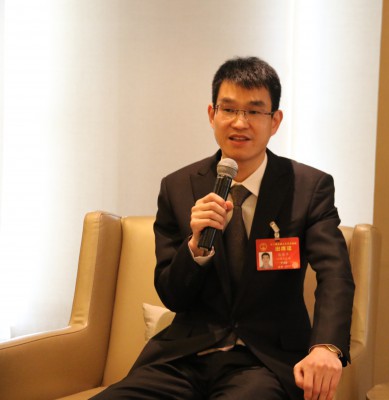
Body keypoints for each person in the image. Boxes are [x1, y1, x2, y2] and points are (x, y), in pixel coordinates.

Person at [91, 56, 354, 400]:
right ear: (211, 115)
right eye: (228, 109)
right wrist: (195, 248)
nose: (239, 122)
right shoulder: (178, 186)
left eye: (254, 111)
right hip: (184, 357)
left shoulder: (308, 187)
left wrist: (326, 346)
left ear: (275, 121)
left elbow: (335, 273)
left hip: (263, 362)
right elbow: (173, 295)